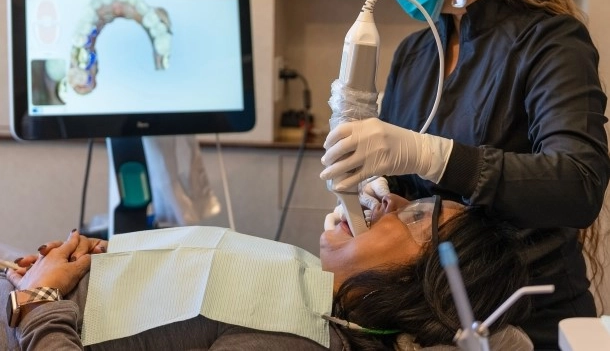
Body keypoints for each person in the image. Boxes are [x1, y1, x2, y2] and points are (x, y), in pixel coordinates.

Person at [320, 0, 610, 350]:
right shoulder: (417, 51)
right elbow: (407, 190)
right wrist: (373, 199)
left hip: (527, 317)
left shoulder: (549, 43)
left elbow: (578, 184)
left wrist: (430, 154)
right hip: (429, 314)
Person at [1, 194, 535, 350]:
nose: (383, 203)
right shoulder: (310, 292)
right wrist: (115, 260)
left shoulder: (295, 342)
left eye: (416, 216)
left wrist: (39, 303)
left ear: (417, 284)